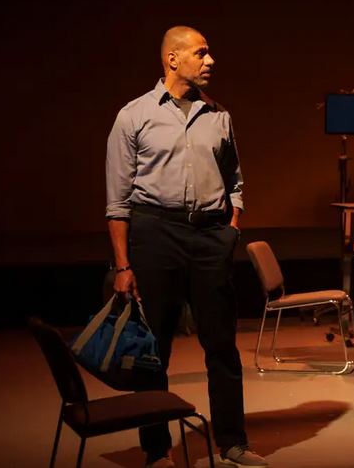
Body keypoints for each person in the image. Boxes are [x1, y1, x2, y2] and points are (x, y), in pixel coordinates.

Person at [105, 26, 268, 468]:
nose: (210, 61)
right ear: (173, 59)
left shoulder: (218, 115)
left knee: (222, 344)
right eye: (201, 53)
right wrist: (123, 266)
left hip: (210, 236)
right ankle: (156, 449)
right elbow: (117, 202)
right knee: (153, 349)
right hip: (156, 233)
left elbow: (235, 181)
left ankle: (232, 442)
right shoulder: (133, 116)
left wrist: (231, 226)